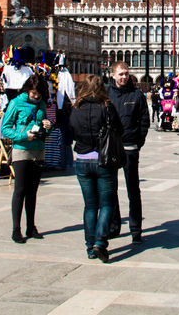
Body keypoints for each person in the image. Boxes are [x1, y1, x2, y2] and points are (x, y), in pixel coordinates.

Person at [71, 74, 122, 262]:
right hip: (103, 160)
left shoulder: (75, 108)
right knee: (107, 204)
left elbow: (71, 132)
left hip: (82, 159)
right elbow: (118, 129)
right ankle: (100, 242)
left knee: (90, 206)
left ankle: (89, 247)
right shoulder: (107, 106)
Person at [0, 74, 52, 243]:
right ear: (28, 89)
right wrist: (23, 136)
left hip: (38, 150)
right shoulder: (16, 103)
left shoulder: (42, 104)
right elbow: (5, 129)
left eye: (39, 94)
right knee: (20, 190)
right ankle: (16, 229)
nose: (36, 97)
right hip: (21, 150)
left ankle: (31, 226)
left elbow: (45, 128)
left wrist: (48, 126)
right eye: (34, 93)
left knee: (33, 191)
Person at [107, 61, 150, 244]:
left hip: (131, 147)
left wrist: (138, 142)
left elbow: (144, 120)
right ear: (113, 75)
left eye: (126, 73)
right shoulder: (106, 95)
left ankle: (135, 229)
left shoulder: (136, 94)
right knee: (111, 190)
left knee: (133, 190)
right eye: (121, 74)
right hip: (111, 148)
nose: (124, 77)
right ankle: (114, 226)